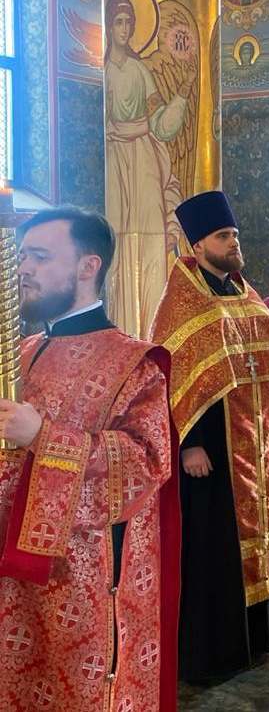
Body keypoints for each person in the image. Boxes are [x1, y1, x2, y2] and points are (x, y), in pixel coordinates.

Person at [0, 208, 179, 710]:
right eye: (22, 257)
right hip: (10, 569)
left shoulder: (133, 361)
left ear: (88, 266)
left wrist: (43, 437)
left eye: (39, 257)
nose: (24, 269)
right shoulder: (21, 351)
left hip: (82, 582)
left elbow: (146, 463)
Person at [149, 191, 269, 683]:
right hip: (211, 453)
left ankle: (262, 637)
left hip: (261, 445)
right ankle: (218, 654)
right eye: (223, 236)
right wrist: (187, 443)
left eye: (235, 235)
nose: (234, 243)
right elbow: (167, 377)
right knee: (216, 550)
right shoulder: (180, 304)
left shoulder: (245, 295)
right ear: (198, 245)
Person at [103, 0, 193, 339]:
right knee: (117, 246)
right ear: (108, 26)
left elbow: (161, 125)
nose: (124, 28)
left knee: (152, 244)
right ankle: (118, 334)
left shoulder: (140, 69)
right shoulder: (103, 71)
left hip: (143, 159)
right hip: (115, 162)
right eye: (118, 22)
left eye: (129, 22)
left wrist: (182, 95)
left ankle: (153, 337)